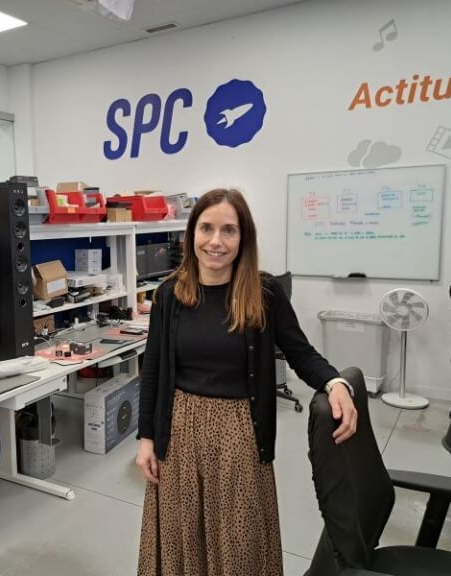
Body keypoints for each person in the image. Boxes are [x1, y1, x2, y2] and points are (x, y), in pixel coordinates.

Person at [135, 188, 357, 576]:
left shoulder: (264, 293)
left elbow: (301, 352)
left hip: (239, 436)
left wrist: (335, 383)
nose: (215, 241)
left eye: (229, 230)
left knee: (239, 544)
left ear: (243, 238)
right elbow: (152, 368)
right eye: (206, 228)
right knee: (183, 538)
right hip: (180, 433)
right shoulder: (170, 294)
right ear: (191, 234)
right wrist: (147, 439)